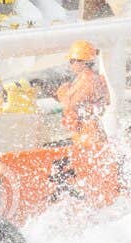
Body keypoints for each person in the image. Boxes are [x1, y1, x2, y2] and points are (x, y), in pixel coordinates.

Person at [50, 40, 119, 204]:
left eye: (72, 60)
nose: (71, 64)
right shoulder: (84, 79)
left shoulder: (87, 80)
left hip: (88, 132)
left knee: (90, 167)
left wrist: (62, 92)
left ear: (81, 61)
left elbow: (69, 103)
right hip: (86, 130)